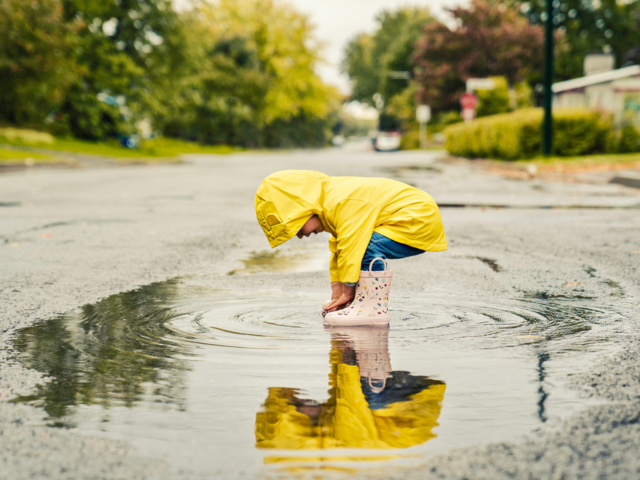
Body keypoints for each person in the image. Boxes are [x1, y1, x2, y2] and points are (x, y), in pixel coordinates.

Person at [255, 170, 447, 326]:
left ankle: (372, 308)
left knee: (364, 246)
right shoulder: (327, 204)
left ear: (301, 208)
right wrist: (337, 293)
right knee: (353, 246)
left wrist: (348, 293)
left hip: (417, 218)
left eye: (295, 227)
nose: (298, 235)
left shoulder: (339, 201)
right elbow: (339, 248)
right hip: (409, 217)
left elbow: (351, 246)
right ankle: (362, 303)